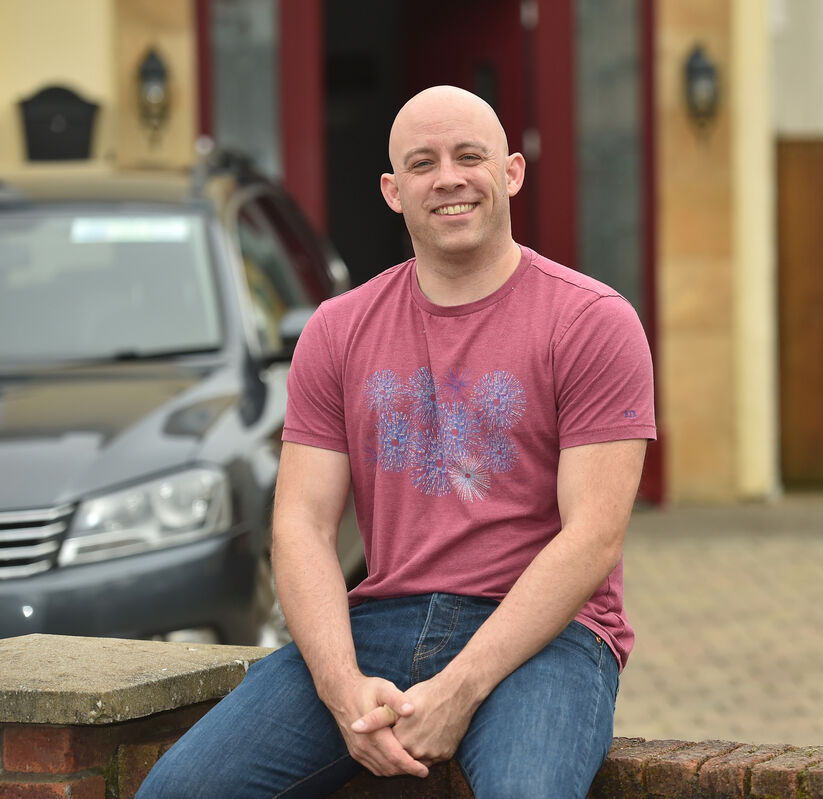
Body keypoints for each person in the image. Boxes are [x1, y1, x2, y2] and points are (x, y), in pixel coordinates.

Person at [136, 85, 655, 798]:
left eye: (470, 156)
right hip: (382, 620)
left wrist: (460, 687)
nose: (448, 178)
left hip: (548, 636)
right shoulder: (338, 329)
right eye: (422, 163)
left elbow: (592, 538)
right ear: (392, 190)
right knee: (180, 790)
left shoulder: (592, 322)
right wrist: (341, 685)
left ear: (511, 172)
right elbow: (301, 526)